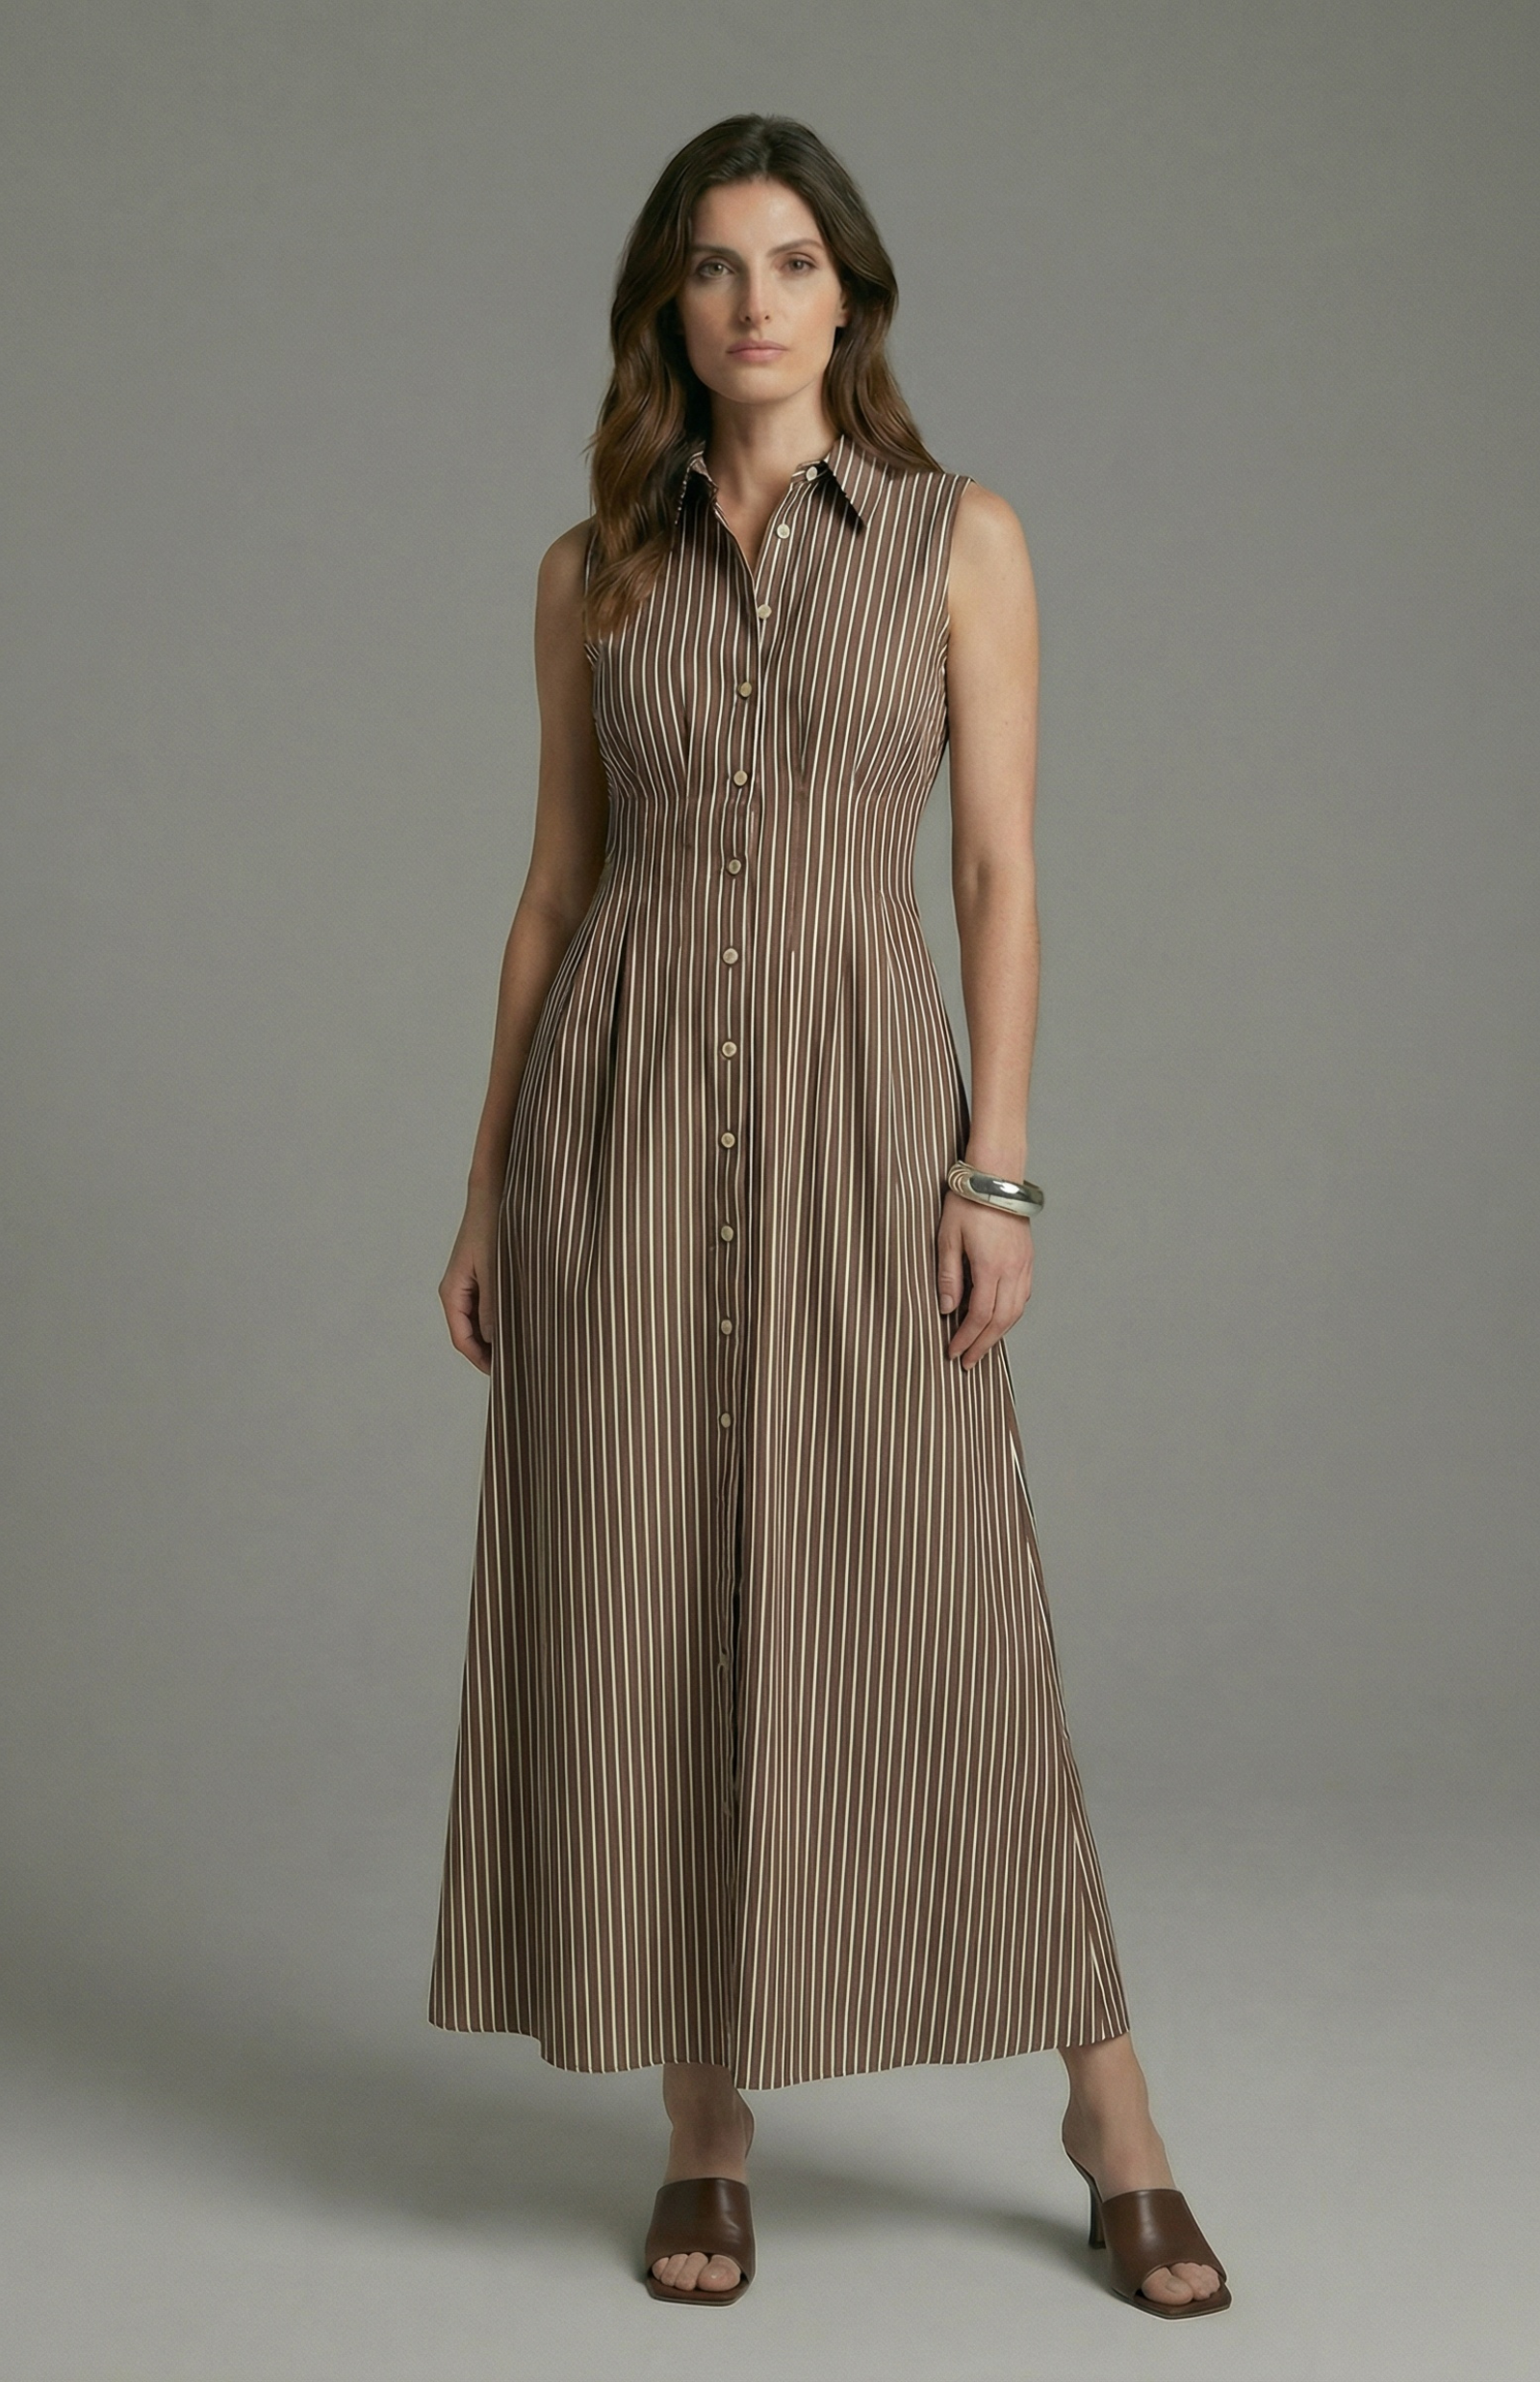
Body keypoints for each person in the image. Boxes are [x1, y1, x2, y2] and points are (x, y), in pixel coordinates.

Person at [430, 114, 1229, 2320]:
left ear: (850, 296)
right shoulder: (594, 568)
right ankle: (705, 2122)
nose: (755, 299)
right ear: (667, 307)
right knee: (665, 1598)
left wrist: (997, 1163)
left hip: (867, 1126)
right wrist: (490, 1180)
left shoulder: (962, 540)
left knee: (945, 1602)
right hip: (614, 1127)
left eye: (792, 259)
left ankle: (1113, 2110)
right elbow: (549, 894)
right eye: (713, 265)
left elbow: (996, 873)